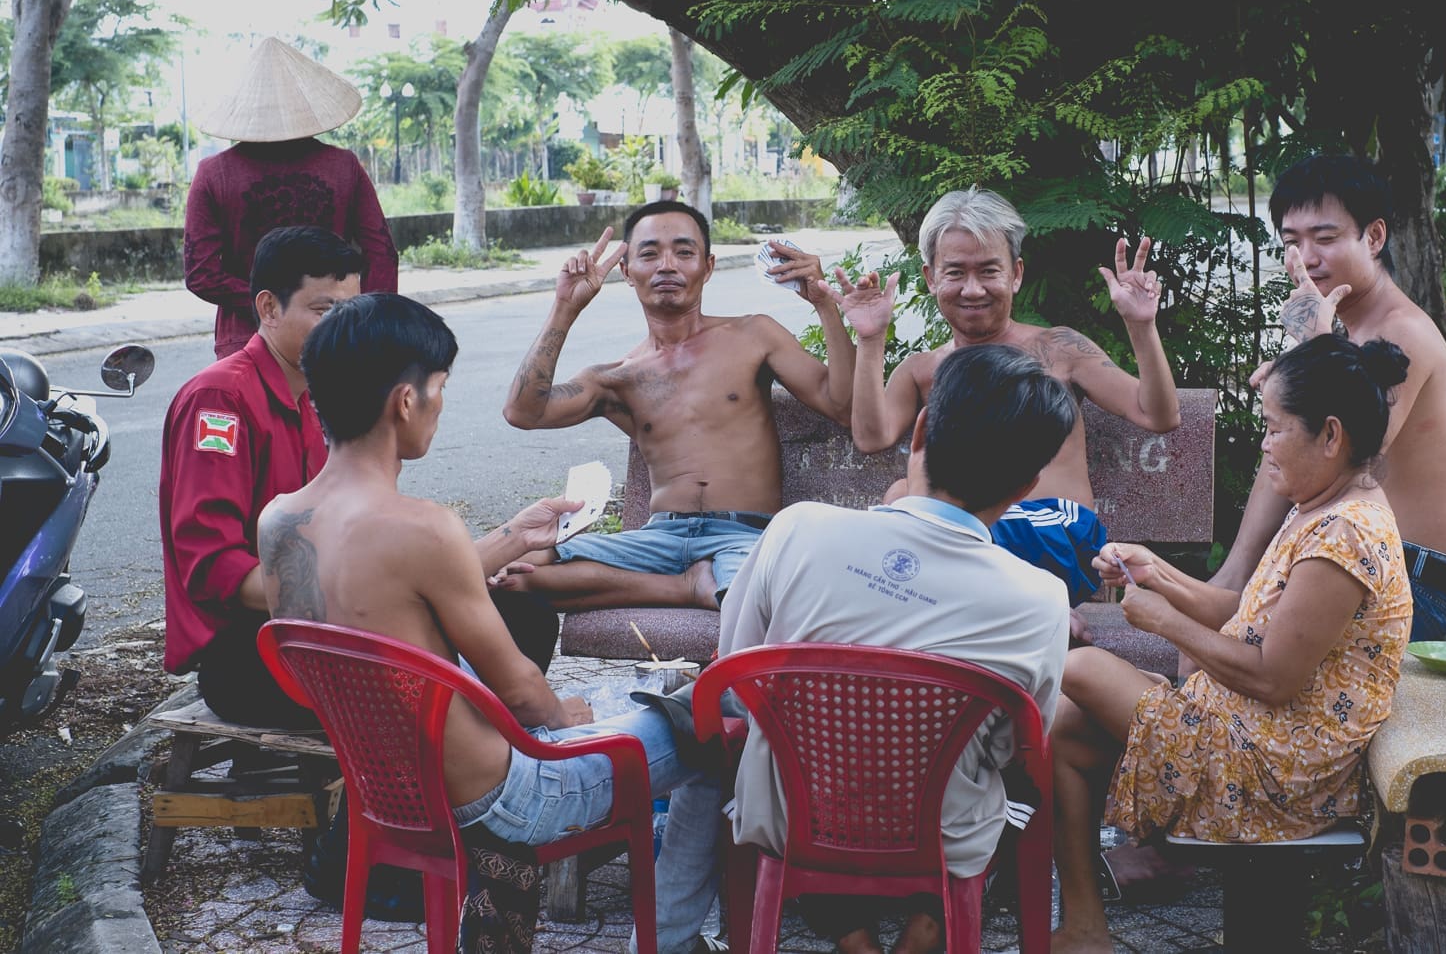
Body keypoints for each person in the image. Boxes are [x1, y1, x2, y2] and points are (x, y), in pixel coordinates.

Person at [257, 293, 712, 925]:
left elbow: (394, 599)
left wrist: (514, 536)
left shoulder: (279, 520)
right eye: (439, 388)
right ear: (406, 400)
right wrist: (564, 714)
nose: (440, 406)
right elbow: (526, 696)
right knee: (719, 727)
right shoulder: (422, 526)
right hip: (505, 798)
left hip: (385, 786)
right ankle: (674, 938)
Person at [644, 344, 1077, 954]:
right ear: (1030, 483)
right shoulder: (1039, 598)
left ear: (921, 429)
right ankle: (924, 936)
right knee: (1020, 789)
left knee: (807, 768)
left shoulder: (799, 529)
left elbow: (737, 671)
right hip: (940, 832)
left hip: (791, 815)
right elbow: (1013, 746)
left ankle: (854, 943)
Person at [1048, 334, 1413, 954]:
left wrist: (1161, 620)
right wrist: (1155, 571)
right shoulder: (1321, 505)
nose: (1265, 446)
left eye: (1274, 430)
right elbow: (1244, 615)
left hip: (1282, 767)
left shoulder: (1343, 535)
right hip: (1252, 727)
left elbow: (1274, 678)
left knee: (1079, 666)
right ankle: (1084, 930)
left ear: (1331, 436)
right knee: (1061, 727)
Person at [497, 200, 855, 611]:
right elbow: (523, 411)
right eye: (649, 254)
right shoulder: (619, 377)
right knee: (508, 570)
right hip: (656, 541)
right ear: (627, 272)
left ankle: (706, 587)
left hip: (744, 537)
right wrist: (565, 306)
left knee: (753, 601)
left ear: (708, 266)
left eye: (684, 252)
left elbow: (841, 404)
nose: (667, 265)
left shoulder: (754, 335)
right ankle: (686, 587)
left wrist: (825, 304)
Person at [839, 187, 1180, 616]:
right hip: (972, 547)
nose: (973, 289)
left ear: (1016, 274)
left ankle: (1022, 610)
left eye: (988, 271)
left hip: (1056, 535)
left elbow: (1159, 415)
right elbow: (872, 438)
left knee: (911, 512)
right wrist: (871, 340)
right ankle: (1016, 615)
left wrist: (1140, 326)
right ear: (930, 278)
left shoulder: (1059, 348)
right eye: (956, 273)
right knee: (899, 495)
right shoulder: (923, 369)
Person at [1210, 155, 1446, 641]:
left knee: (1231, 646)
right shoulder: (1351, 329)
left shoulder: (1402, 333)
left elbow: (1343, 464)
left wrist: (1311, 350)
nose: (1306, 258)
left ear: (1373, 238)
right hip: (1353, 561)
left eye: (1326, 239)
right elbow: (1288, 452)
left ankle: (1232, 583)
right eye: (1292, 243)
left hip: (1416, 583)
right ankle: (1232, 577)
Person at [160, 226, 365, 727]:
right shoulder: (220, 402)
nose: (344, 331)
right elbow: (211, 564)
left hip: (309, 630)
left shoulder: (308, 396)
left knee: (513, 615)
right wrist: (342, 594)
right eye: (324, 312)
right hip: (248, 653)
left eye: (351, 314)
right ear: (269, 308)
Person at [187, 36, 398, 360]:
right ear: (305, 103)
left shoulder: (214, 174)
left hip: (247, 340)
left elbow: (201, 275)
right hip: (333, 335)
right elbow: (382, 255)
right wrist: (362, 321)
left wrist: (275, 304)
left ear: (243, 108)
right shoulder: (343, 167)